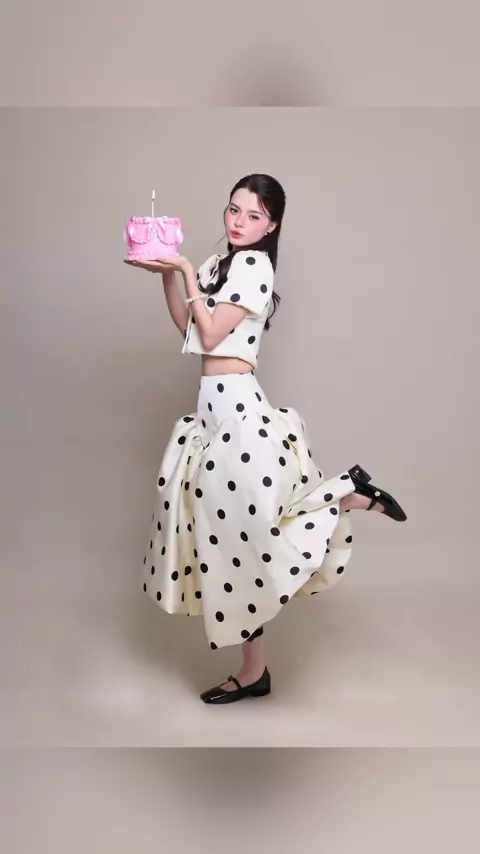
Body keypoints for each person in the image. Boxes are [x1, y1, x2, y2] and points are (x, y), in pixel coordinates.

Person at [125, 173, 407, 706]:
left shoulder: (254, 265)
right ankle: (255, 671)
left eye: (253, 215)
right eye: (234, 209)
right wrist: (167, 276)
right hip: (211, 415)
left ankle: (347, 497)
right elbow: (189, 331)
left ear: (271, 225)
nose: (239, 221)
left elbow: (213, 334)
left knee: (250, 537)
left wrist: (182, 268)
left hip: (237, 413)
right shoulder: (219, 265)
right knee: (235, 544)